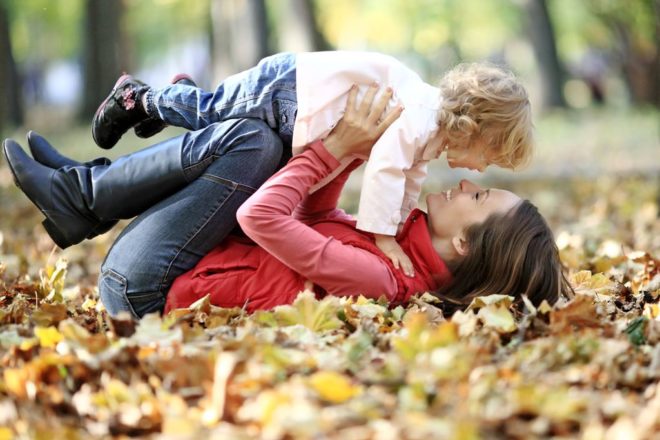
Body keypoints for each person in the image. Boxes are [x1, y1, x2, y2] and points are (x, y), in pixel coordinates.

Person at [91, 51, 533, 277]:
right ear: (472, 128)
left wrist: (397, 226)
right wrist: (382, 237)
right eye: (487, 155)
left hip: (300, 107)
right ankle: (139, 97)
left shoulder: (429, 135)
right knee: (211, 113)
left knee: (216, 117)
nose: (477, 169)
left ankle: (172, 102)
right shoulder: (420, 116)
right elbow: (384, 170)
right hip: (290, 90)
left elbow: (407, 178)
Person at [164, 88, 569, 315]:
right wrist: (360, 148)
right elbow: (317, 218)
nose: (465, 184)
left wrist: (331, 150)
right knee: (254, 143)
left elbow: (260, 215)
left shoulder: (380, 278)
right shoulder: (398, 251)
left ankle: (160, 103)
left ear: (464, 243)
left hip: (173, 288)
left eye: (478, 196)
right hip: (201, 259)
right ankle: (169, 104)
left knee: (255, 144)